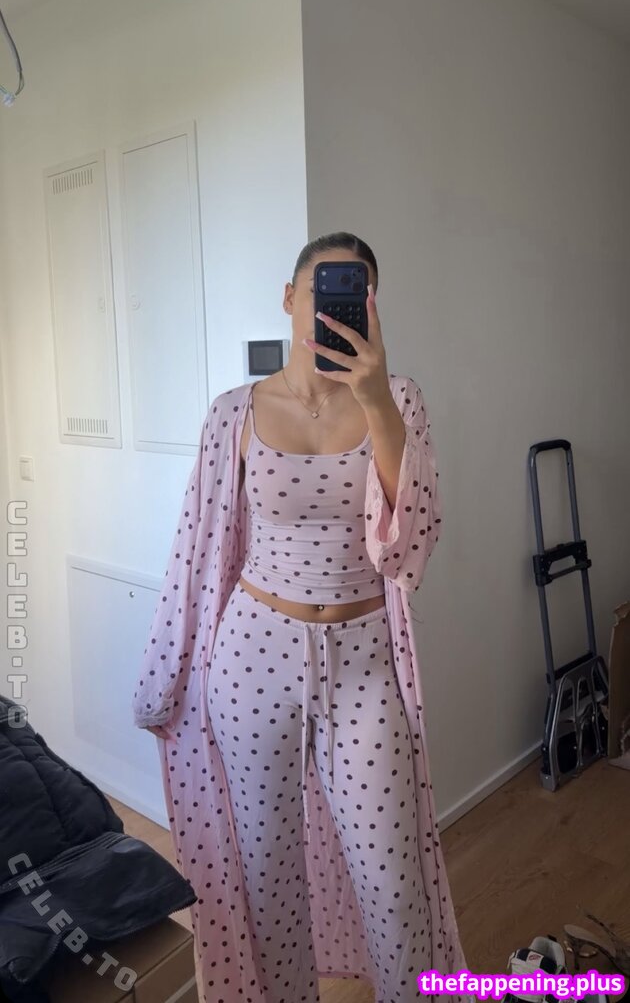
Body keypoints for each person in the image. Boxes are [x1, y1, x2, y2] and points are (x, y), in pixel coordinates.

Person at [132, 232, 470, 1003]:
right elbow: (195, 546)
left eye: (357, 291)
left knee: (395, 885)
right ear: (290, 298)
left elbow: (412, 544)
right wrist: (166, 674)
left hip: (364, 663)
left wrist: (375, 400)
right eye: (324, 286)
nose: (338, 303)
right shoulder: (234, 413)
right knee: (266, 878)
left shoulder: (400, 399)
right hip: (254, 655)